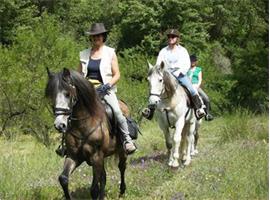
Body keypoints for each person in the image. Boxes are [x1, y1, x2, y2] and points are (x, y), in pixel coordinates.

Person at [78, 23, 136, 154]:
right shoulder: (83, 54)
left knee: (116, 111)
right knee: (70, 109)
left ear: (103, 36)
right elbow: (79, 74)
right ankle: (66, 143)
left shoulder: (110, 53)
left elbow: (117, 74)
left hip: (105, 89)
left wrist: (107, 86)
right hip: (87, 90)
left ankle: (127, 139)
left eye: (98, 36)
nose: (95, 38)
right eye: (93, 36)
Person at [143, 28, 206, 120]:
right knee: (155, 89)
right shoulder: (163, 51)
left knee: (192, 89)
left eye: (173, 37)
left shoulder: (182, 50)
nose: (170, 38)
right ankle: (150, 110)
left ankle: (199, 109)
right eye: (169, 36)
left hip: (180, 75)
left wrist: (179, 72)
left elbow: (187, 64)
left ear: (177, 39)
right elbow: (158, 65)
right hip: (166, 76)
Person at [187, 55, 214, 121]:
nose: (192, 62)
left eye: (193, 61)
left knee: (206, 98)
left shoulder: (198, 69)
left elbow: (200, 79)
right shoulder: (187, 70)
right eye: (191, 61)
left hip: (196, 86)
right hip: (188, 87)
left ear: (196, 62)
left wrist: (197, 86)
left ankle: (207, 114)